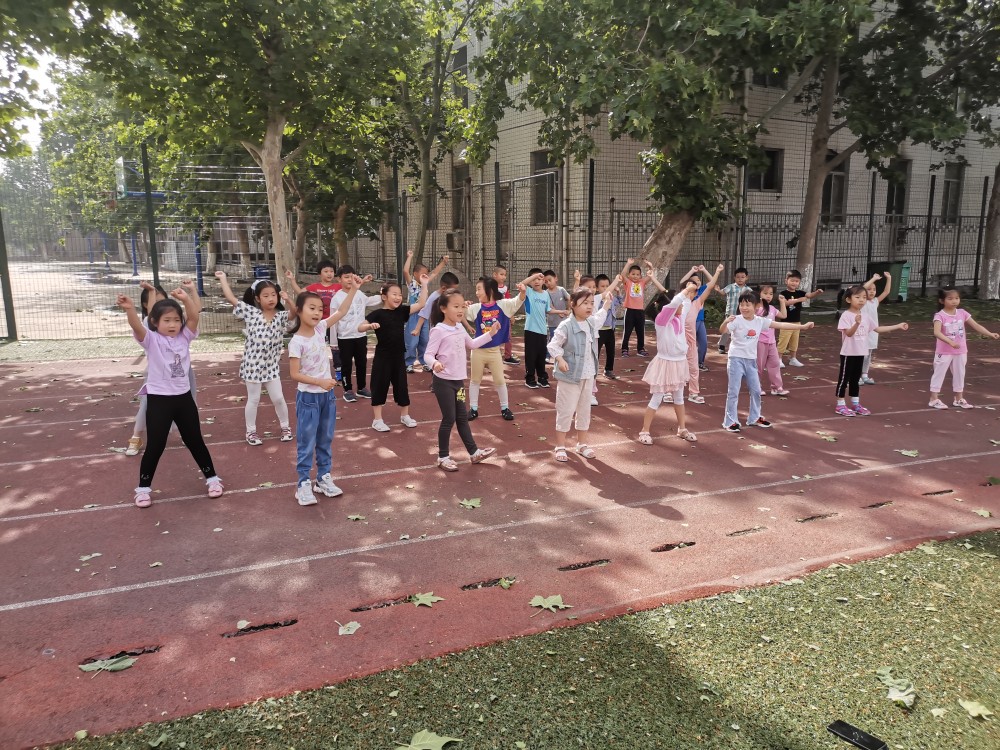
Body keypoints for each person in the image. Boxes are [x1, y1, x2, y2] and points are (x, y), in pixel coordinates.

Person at [117, 287, 222, 508]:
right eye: (166, 320)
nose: (172, 324)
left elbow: (193, 317)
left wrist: (186, 299)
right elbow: (137, 326)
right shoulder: (151, 340)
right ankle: (143, 489)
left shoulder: (185, 337)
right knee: (156, 445)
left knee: (195, 441)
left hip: (183, 399)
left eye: (176, 320)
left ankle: (212, 479)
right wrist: (130, 309)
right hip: (159, 400)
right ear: (154, 322)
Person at [287, 278, 362, 506]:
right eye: (312, 308)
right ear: (299, 311)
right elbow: (294, 374)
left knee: (325, 439)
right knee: (306, 442)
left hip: (326, 397)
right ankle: (303, 483)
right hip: (308, 398)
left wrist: (354, 290)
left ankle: (323, 478)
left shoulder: (321, 328)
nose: (317, 313)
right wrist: (319, 382)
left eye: (320, 309)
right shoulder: (296, 342)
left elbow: (341, 311)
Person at [424, 289, 500, 472]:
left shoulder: (459, 327)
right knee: (449, 418)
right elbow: (428, 354)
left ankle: (474, 453)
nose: (460, 310)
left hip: (458, 383)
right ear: (443, 308)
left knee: (462, 418)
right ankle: (443, 457)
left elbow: (472, 344)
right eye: (455, 306)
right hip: (443, 382)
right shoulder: (438, 330)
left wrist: (491, 333)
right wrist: (435, 363)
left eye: (462, 307)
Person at [719, 290, 815, 432]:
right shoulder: (736, 320)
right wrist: (726, 321)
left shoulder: (760, 321)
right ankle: (730, 421)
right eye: (741, 304)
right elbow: (723, 331)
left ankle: (754, 417)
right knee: (733, 391)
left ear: (757, 306)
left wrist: (802, 327)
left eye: (747, 305)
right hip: (736, 359)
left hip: (751, 361)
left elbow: (781, 325)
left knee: (756, 390)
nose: (744, 308)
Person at [217, 272, 293, 446]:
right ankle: (251, 432)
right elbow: (231, 299)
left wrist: (288, 299)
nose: (271, 298)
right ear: (257, 299)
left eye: (273, 294)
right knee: (254, 399)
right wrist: (223, 279)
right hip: (252, 366)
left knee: (278, 398)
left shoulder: (280, 316)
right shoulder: (251, 313)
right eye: (266, 295)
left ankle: (285, 427)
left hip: (271, 366)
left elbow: (294, 313)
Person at [126, 281, 199, 456]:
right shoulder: (149, 326)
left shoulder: (179, 329)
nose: (171, 321)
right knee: (146, 406)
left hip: (181, 372)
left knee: (188, 403)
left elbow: (195, 313)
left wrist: (190, 292)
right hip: (158, 376)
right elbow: (149, 316)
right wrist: (149, 292)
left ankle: (188, 434)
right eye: (157, 302)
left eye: (164, 300)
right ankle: (136, 436)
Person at [547, 287, 614, 461]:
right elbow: (553, 345)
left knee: (584, 410)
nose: (589, 306)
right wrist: (560, 359)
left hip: (588, 376)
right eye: (585, 303)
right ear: (572, 304)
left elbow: (600, 317)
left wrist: (607, 304)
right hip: (570, 377)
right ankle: (560, 446)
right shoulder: (566, 325)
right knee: (566, 410)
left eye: (591, 303)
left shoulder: (590, 322)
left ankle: (581, 444)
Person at [358, 274, 431, 431]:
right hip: (382, 357)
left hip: (399, 356)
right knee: (379, 386)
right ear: (384, 296)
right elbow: (360, 327)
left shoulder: (402, 311)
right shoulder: (377, 314)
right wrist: (369, 326)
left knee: (402, 386)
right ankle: (377, 420)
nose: (398, 297)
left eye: (400, 294)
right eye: (394, 294)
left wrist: (424, 284)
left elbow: (421, 303)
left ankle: (405, 416)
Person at [465, 273, 536, 421]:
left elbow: (517, 301)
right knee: (475, 380)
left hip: (494, 352)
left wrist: (523, 292)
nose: (476, 292)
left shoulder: (503, 305)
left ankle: (505, 408)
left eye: (479, 289)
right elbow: (460, 313)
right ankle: (473, 408)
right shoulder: (476, 308)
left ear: (490, 290)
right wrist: (462, 306)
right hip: (478, 351)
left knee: (499, 381)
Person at [637, 285, 699, 446]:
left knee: (679, 397)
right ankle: (644, 431)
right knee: (657, 397)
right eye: (679, 302)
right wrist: (685, 291)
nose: (682, 305)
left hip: (679, 363)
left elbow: (684, 302)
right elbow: (675, 303)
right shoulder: (662, 320)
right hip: (665, 363)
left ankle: (682, 429)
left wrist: (690, 289)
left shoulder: (680, 316)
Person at [835, 285, 908, 416]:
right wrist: (856, 323)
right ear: (848, 299)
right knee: (844, 379)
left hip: (861, 353)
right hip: (848, 353)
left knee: (855, 380)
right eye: (857, 297)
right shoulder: (846, 315)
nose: (861, 300)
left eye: (864, 297)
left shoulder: (866, 316)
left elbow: (878, 329)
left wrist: (898, 326)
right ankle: (840, 404)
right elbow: (849, 334)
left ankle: (855, 403)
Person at [928, 286, 999, 409]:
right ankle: (933, 399)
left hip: (960, 351)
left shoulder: (962, 313)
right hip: (944, 352)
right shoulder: (939, 316)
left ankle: (958, 398)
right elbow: (937, 332)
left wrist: (990, 334)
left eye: (957, 298)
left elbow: (976, 325)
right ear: (942, 301)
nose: (954, 301)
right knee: (939, 373)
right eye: (950, 299)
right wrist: (950, 342)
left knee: (960, 374)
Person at [328, 266, 381, 402]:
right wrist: (333, 342)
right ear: (339, 279)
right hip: (345, 337)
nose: (349, 280)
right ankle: (348, 390)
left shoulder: (359, 294)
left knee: (361, 363)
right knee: (346, 365)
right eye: (346, 277)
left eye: (352, 277)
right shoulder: (337, 298)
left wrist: (384, 295)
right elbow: (333, 321)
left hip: (360, 335)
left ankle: (362, 388)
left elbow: (370, 301)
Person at [285, 259, 343, 380]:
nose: (329, 274)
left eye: (331, 271)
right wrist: (292, 280)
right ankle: (313, 369)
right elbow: (300, 293)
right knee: (318, 346)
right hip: (318, 324)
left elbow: (349, 293)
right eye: (326, 271)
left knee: (335, 346)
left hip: (333, 322)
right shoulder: (315, 287)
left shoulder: (338, 287)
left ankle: (338, 369)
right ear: (319, 273)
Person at [677, 263, 723, 404]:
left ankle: (694, 393)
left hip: (690, 344)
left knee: (694, 369)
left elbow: (710, 286)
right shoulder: (676, 305)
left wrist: (717, 272)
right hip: (677, 343)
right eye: (688, 289)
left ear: (696, 294)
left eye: (693, 290)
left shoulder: (697, 304)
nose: (690, 292)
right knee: (675, 368)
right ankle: (669, 392)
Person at [402, 251, 448, 373]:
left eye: (426, 274)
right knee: (412, 341)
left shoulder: (425, 282)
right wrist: (410, 257)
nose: (425, 276)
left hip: (425, 315)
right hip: (413, 315)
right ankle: (408, 363)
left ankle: (424, 362)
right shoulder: (411, 283)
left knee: (425, 340)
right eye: (423, 274)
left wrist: (443, 263)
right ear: (415, 274)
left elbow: (435, 273)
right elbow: (405, 271)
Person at [412, 271, 461, 367]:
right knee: (437, 354)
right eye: (453, 290)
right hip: (438, 332)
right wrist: (417, 329)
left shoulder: (451, 298)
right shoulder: (434, 297)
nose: (454, 292)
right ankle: (436, 371)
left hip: (450, 331)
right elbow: (424, 312)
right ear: (444, 288)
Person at [778, 270, 824, 367]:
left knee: (794, 342)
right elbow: (785, 303)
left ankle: (793, 358)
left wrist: (817, 292)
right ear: (786, 281)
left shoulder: (800, 292)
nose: (794, 283)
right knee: (783, 341)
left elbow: (809, 295)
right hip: (786, 322)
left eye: (796, 281)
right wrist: (799, 300)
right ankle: (779, 359)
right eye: (792, 280)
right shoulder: (783, 293)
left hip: (797, 322)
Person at [755, 284, 789, 397]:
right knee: (759, 365)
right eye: (765, 293)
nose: (768, 296)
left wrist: (782, 302)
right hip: (759, 341)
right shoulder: (756, 309)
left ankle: (777, 387)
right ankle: (756, 386)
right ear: (759, 294)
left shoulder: (772, 309)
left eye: (770, 294)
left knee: (775, 364)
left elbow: (783, 315)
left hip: (772, 342)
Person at [860, 271, 892, 385]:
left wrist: (889, 278)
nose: (872, 291)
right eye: (870, 289)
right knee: (861, 355)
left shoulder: (875, 302)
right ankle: (856, 376)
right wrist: (874, 278)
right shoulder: (862, 302)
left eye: (874, 289)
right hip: (862, 331)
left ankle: (865, 375)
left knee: (868, 354)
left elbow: (886, 292)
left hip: (873, 332)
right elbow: (862, 289)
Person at [522, 268, 552, 388]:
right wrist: (534, 276)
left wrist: (561, 311)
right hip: (530, 330)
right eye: (534, 279)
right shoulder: (528, 292)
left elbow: (548, 310)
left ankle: (542, 377)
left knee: (541, 355)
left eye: (539, 279)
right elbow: (522, 284)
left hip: (542, 331)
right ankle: (530, 378)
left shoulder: (546, 294)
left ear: (543, 281)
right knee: (531, 355)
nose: (536, 281)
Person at [619, 257, 654, 357]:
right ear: (629, 275)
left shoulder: (642, 282)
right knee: (627, 331)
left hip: (640, 311)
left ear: (640, 276)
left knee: (640, 331)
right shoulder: (628, 283)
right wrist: (628, 263)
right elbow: (622, 274)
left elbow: (650, 275)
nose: (635, 276)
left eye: (638, 274)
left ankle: (640, 349)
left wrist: (650, 267)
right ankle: (624, 349)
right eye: (633, 274)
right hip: (630, 311)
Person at [714, 267, 750, 354]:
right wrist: (718, 290)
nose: (740, 279)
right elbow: (723, 292)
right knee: (727, 330)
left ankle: (740, 346)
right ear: (734, 277)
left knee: (741, 330)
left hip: (742, 314)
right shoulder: (731, 287)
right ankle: (722, 345)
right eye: (738, 277)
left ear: (746, 277)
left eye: (742, 277)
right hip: (731, 313)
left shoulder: (748, 290)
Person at [594, 274, 622, 380]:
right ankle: (593, 371)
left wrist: (618, 292)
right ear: (597, 288)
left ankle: (608, 370)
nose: (605, 288)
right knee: (596, 352)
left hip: (610, 329)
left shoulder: (611, 298)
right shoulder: (597, 300)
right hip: (599, 330)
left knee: (611, 351)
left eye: (607, 286)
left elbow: (620, 302)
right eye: (602, 286)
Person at [493, 264, 520, 365]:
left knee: (508, 336)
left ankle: (508, 356)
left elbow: (509, 302)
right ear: (495, 275)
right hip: (494, 316)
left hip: (505, 316)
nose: (504, 277)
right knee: (494, 335)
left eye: (505, 275)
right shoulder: (490, 287)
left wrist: (511, 315)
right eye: (501, 274)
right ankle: (494, 355)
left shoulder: (505, 288)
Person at [544, 270, 571, 360]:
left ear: (555, 278)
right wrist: (560, 312)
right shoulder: (545, 293)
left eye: (549, 280)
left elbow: (569, 298)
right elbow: (549, 306)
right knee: (552, 339)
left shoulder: (561, 290)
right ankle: (547, 355)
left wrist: (568, 309)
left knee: (565, 339)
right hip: (552, 322)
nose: (548, 283)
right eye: (546, 282)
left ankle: (564, 356)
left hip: (563, 321)